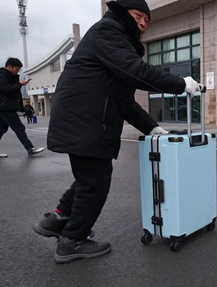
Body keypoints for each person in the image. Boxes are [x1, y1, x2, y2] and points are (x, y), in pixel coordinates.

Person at [32, 0, 200, 263]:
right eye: (138, 16)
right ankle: (72, 241)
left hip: (86, 119)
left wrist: (154, 128)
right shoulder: (108, 31)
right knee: (95, 183)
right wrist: (180, 83)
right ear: (122, 13)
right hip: (87, 120)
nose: (143, 23)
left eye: (147, 19)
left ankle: (58, 219)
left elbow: (124, 101)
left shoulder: (114, 39)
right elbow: (137, 72)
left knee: (89, 178)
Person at [0, 57, 46, 158]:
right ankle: (30, 148)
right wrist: (19, 84)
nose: (18, 71)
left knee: (2, 129)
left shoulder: (8, 76)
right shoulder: (2, 76)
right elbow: (7, 90)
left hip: (5, 107)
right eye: (16, 69)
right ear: (9, 66)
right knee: (19, 128)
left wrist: (19, 83)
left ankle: (30, 148)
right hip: (6, 107)